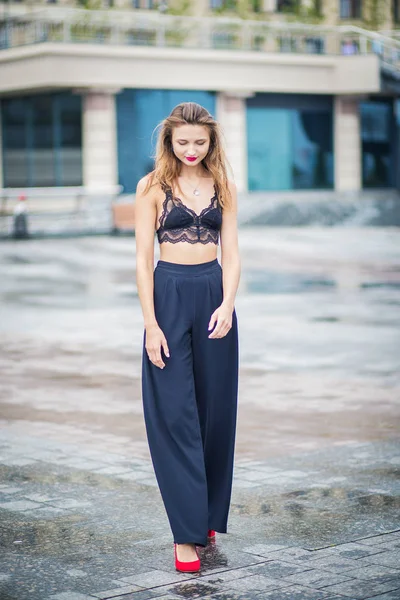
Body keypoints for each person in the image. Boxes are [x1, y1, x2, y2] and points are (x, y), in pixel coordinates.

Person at [135, 102, 240, 573]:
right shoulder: (152, 187)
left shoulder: (224, 187)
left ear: (211, 142)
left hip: (215, 295)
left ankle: (207, 514)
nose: (192, 150)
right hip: (169, 296)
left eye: (200, 142)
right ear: (169, 142)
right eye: (183, 142)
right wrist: (151, 325)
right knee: (174, 413)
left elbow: (233, 254)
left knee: (215, 411)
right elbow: (142, 261)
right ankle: (185, 533)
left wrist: (228, 303)